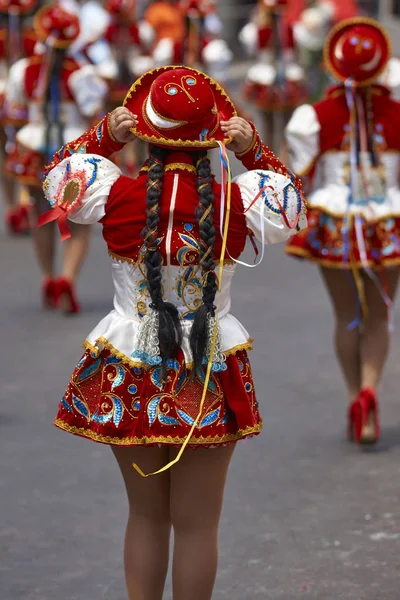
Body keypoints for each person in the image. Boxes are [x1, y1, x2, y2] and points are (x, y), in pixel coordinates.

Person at [42, 65, 306, 599]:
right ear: (213, 135)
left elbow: (59, 178)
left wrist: (104, 137)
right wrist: (254, 150)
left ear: (145, 134)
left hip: (129, 365)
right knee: (197, 524)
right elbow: (292, 205)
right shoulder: (239, 201)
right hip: (208, 364)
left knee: (143, 516)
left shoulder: (114, 193)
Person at [285, 17, 400, 445]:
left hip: (334, 223)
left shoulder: (314, 117)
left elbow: (301, 169)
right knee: (379, 314)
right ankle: (370, 390)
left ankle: (354, 396)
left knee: (346, 315)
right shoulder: (398, 114)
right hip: (388, 221)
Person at [5, 4, 108, 311]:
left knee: (42, 216)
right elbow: (93, 116)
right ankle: (68, 277)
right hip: (73, 151)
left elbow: (15, 113)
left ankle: (48, 277)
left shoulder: (23, 70)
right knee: (78, 221)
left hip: (35, 146)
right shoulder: (82, 74)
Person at [0, 0, 38, 234]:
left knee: (21, 151)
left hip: (22, 102)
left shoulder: (34, 40)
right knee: (6, 151)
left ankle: (24, 204)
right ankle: (13, 205)